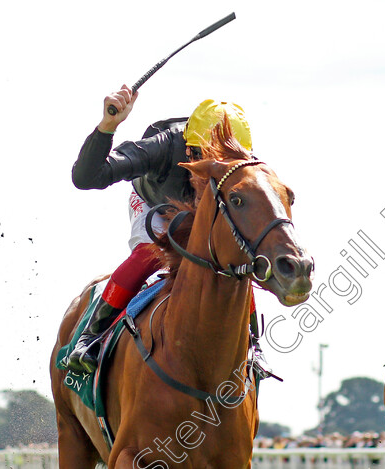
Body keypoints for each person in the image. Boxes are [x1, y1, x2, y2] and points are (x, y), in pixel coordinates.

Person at [67, 85, 254, 374]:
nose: (214, 173)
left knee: (235, 258)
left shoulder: (245, 166)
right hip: (153, 204)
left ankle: (253, 346)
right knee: (151, 254)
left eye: (227, 164)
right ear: (189, 149)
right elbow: (86, 177)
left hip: (203, 213)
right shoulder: (162, 146)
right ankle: (90, 337)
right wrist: (107, 127)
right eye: (206, 160)